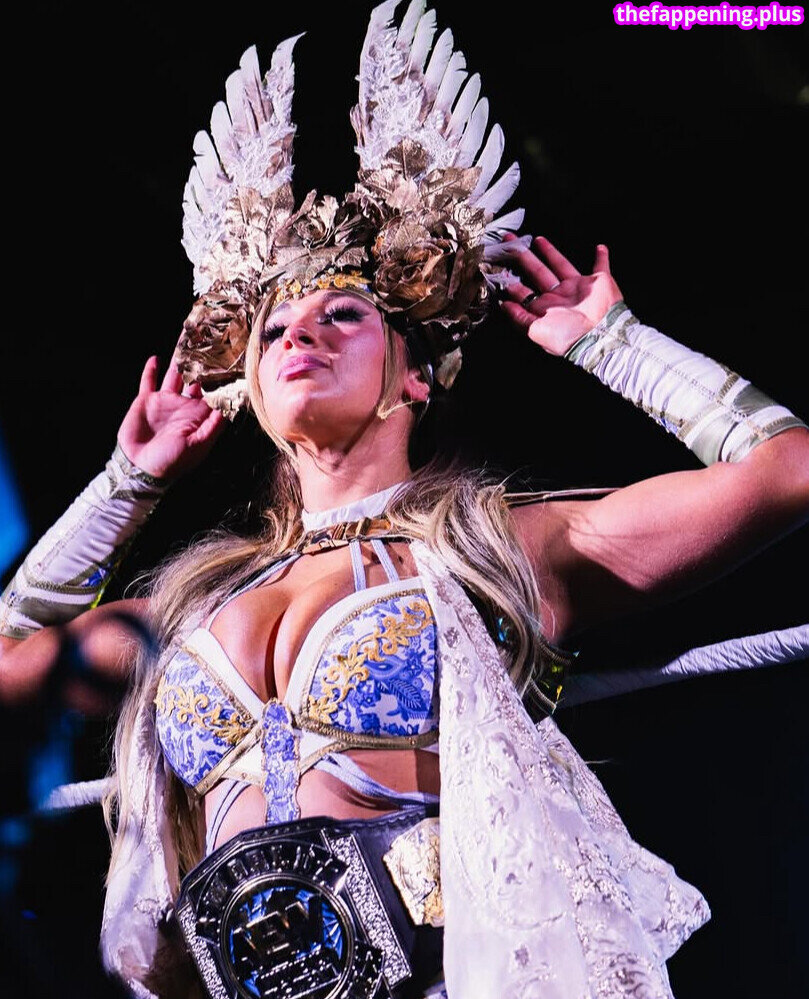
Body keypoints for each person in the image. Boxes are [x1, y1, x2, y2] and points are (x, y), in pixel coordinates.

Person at [1, 3, 807, 998]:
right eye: (272, 331)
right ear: (249, 389)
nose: (300, 336)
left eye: (342, 314)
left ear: (415, 376)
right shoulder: (189, 606)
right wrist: (127, 485)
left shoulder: (493, 550)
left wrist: (613, 346)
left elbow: (785, 470)